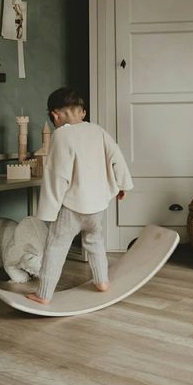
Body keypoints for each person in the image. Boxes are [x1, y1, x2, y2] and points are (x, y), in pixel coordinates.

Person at [26, 88, 133, 305]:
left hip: (72, 208)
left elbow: (57, 176)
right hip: (97, 207)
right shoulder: (98, 131)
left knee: (56, 246)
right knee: (95, 242)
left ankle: (44, 294)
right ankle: (102, 281)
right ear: (83, 112)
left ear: (54, 115)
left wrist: (48, 210)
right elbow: (117, 158)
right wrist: (123, 185)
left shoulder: (61, 135)